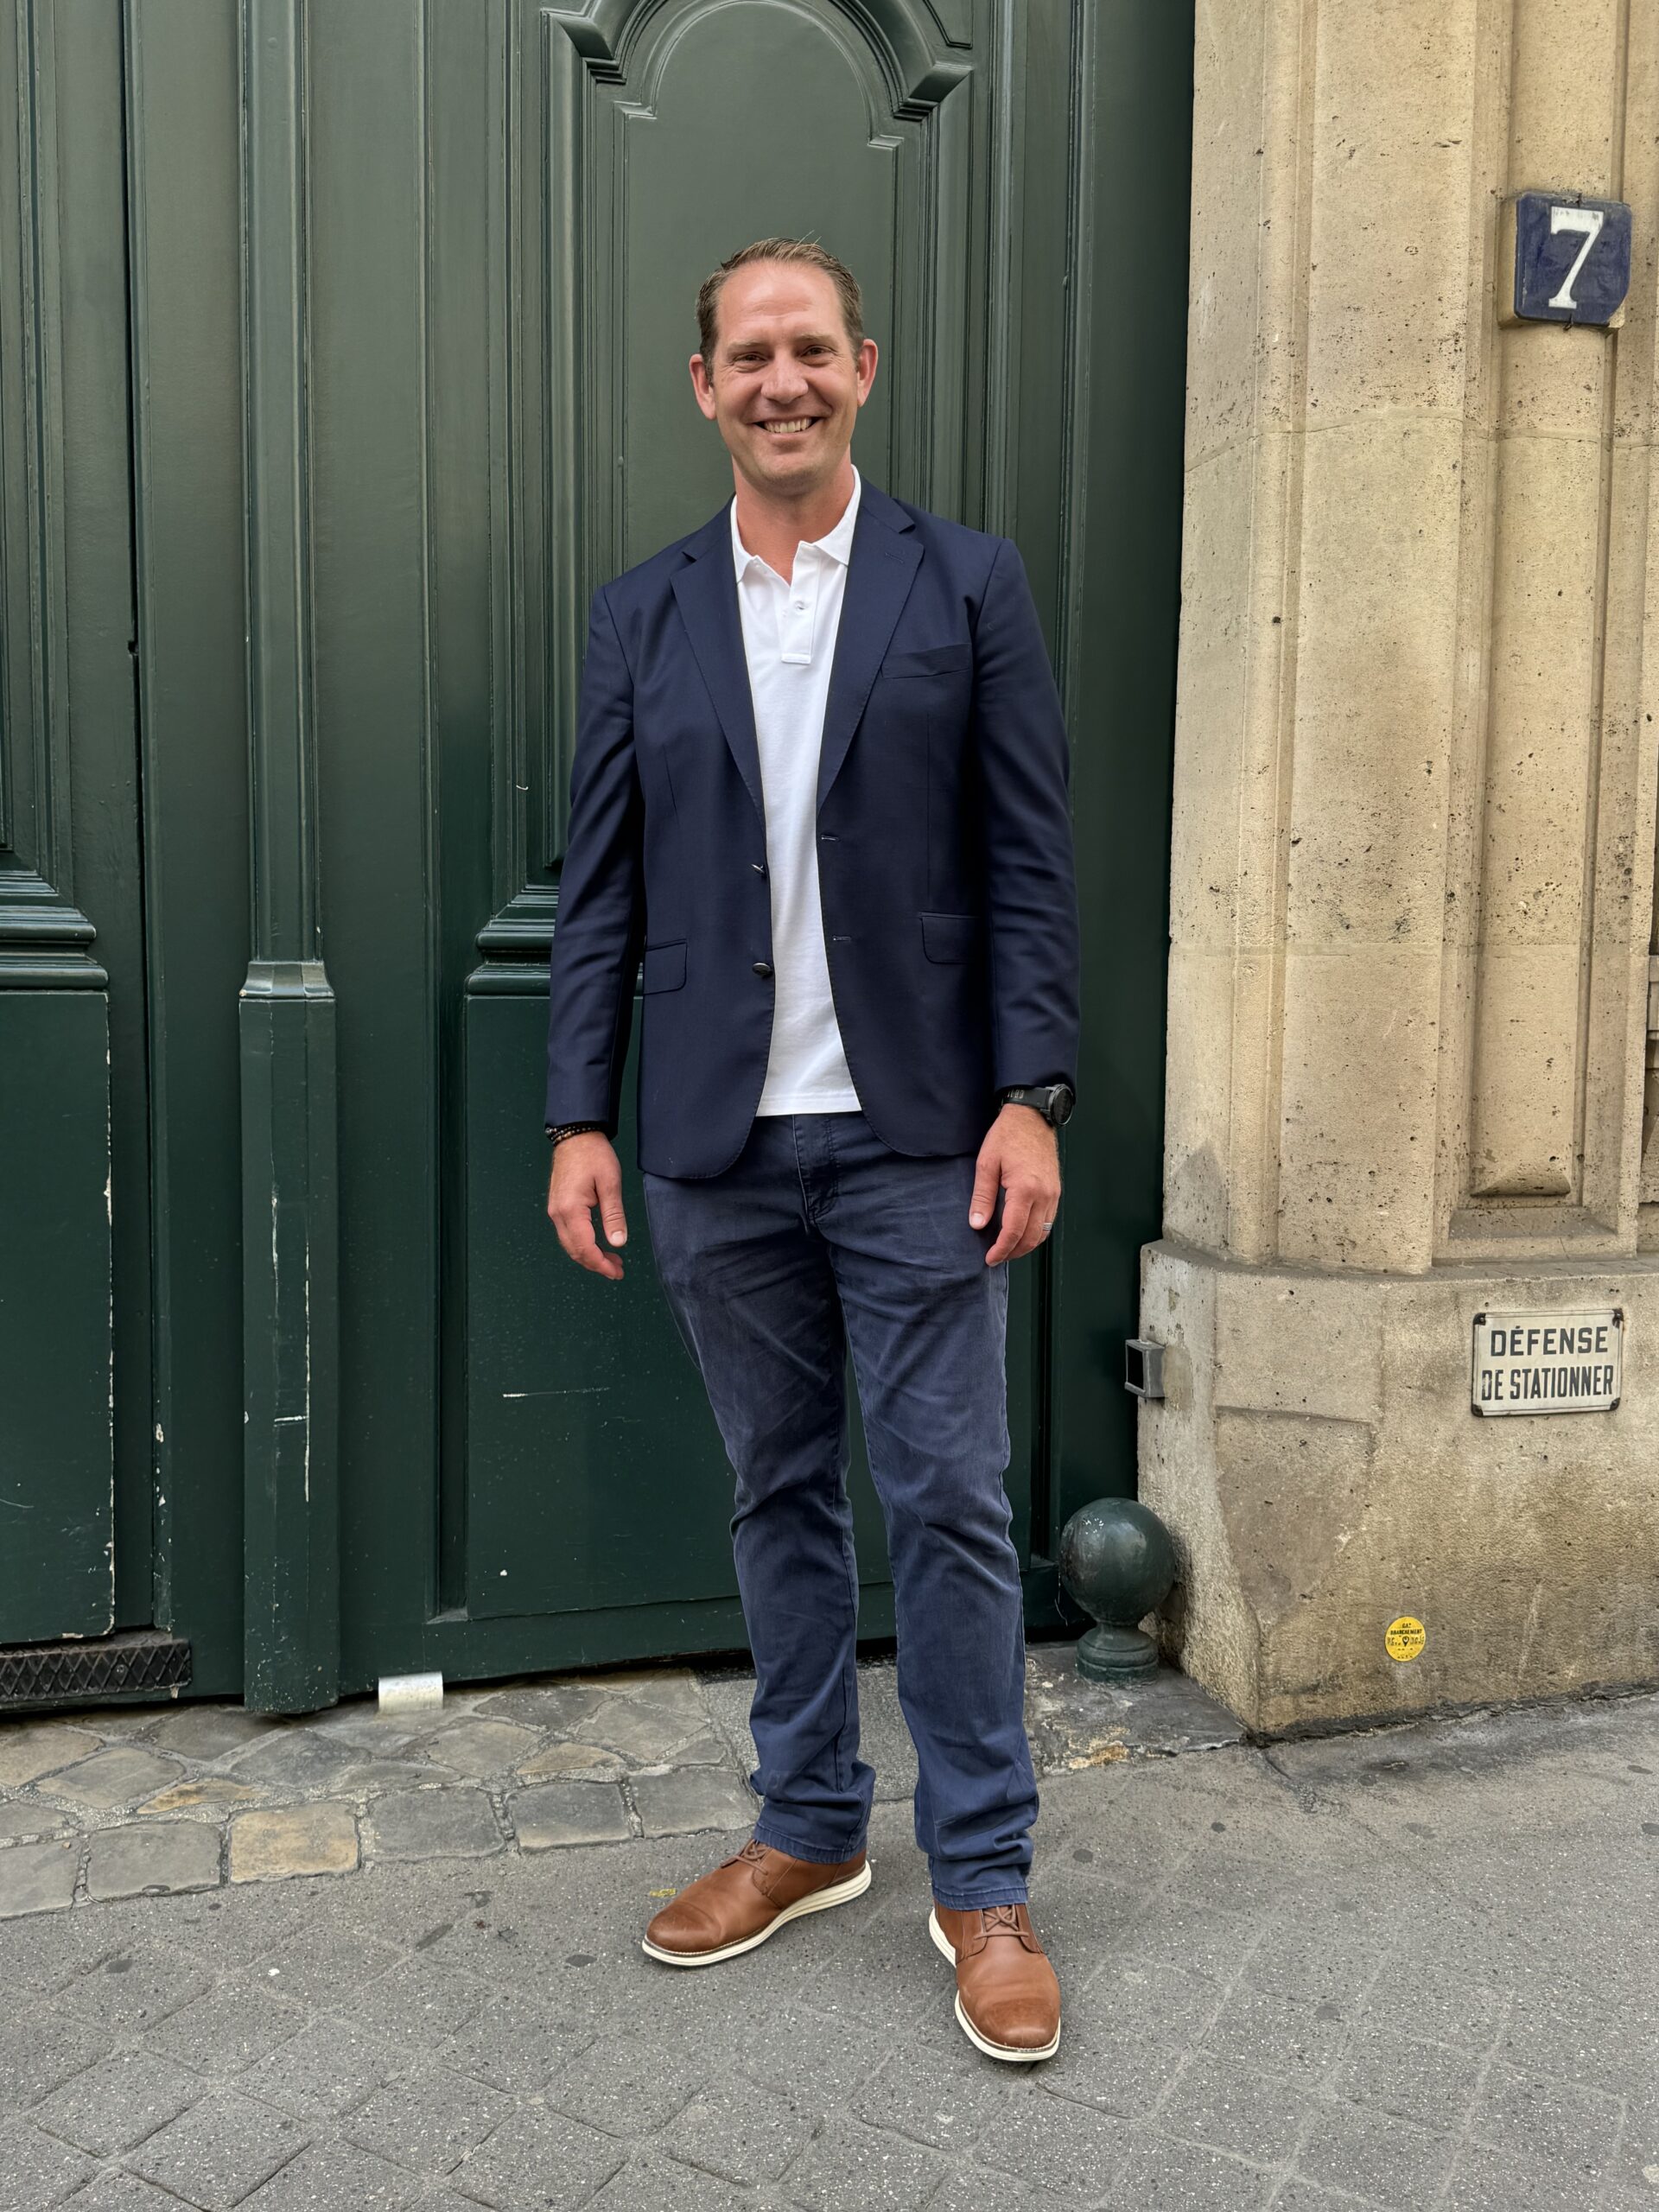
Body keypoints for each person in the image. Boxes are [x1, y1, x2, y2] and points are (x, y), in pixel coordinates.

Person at [543, 238, 1080, 2062]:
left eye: (812, 349)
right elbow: (597, 889)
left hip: (921, 1131)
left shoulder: (968, 583)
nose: (782, 379)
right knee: (775, 1493)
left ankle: (985, 1872)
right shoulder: (643, 613)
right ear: (704, 385)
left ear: (866, 366)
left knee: (947, 1498)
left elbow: (1025, 863)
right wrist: (577, 1116)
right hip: (711, 1139)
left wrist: (1035, 1095)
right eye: (747, 353)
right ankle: (806, 1823)